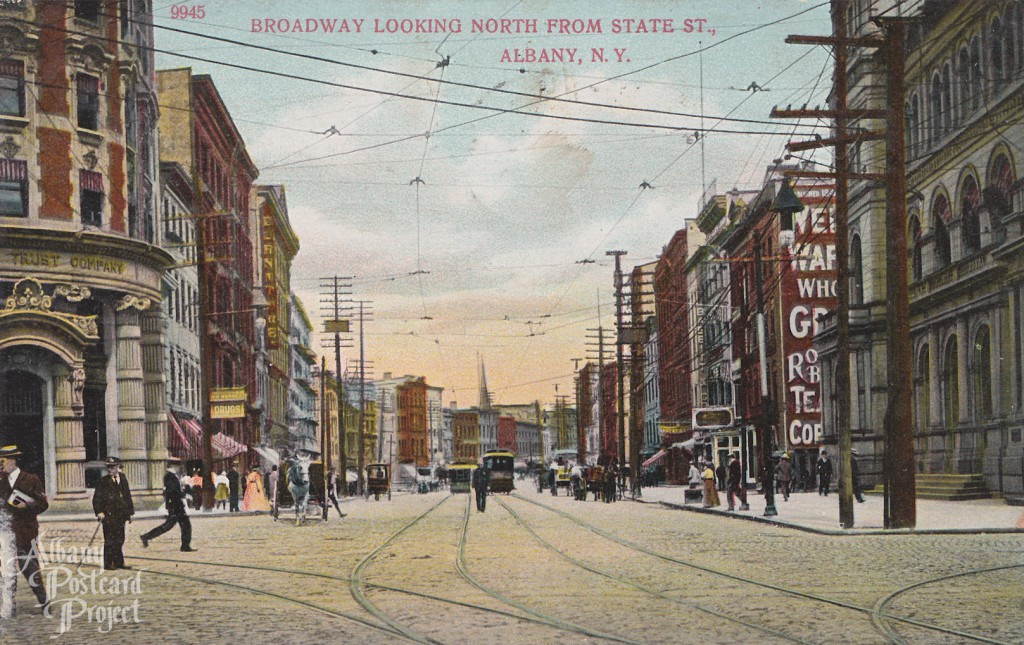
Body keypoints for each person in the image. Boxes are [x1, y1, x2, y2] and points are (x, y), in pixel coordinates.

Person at [0, 445, 48, 617]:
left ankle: (44, 602)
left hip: (26, 532)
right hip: (5, 533)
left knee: (30, 568)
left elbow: (43, 504)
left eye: (3, 461)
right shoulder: (0, 480)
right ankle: (8, 606)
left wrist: (26, 505)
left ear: (12, 462)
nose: (1, 464)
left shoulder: (31, 479)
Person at [141, 458, 196, 552]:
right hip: (175, 505)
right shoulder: (170, 476)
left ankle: (146, 536)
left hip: (176, 504)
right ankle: (185, 546)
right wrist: (183, 494)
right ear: (174, 466)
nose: (180, 468)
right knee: (180, 525)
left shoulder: (172, 476)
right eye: (179, 466)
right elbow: (172, 491)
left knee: (173, 525)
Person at [92, 456, 135, 571]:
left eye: (112, 467)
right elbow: (97, 498)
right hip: (109, 515)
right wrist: (99, 512)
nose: (110, 470)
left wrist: (129, 513)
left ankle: (119, 562)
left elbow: (127, 496)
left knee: (120, 539)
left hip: (121, 515)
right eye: (108, 467)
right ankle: (107, 563)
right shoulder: (103, 481)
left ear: (118, 467)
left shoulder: (123, 478)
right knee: (110, 540)